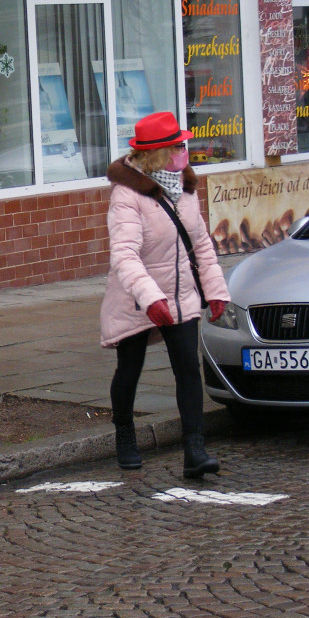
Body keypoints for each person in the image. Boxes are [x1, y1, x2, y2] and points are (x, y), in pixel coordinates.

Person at [99, 111, 231, 479]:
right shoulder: (127, 195)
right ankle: (125, 434)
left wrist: (216, 289)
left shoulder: (185, 189)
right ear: (157, 154)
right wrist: (150, 298)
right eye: (178, 147)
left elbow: (201, 243)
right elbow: (124, 254)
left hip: (181, 293)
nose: (184, 152)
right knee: (130, 369)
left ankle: (195, 449)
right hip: (137, 296)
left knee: (188, 368)